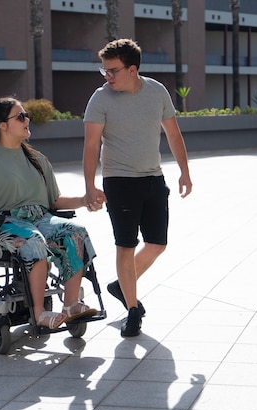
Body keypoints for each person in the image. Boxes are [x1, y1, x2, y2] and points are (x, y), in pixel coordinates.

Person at [0, 97, 99, 330]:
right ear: (2, 125)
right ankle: (39, 313)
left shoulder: (38, 160)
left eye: (26, 115)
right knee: (33, 240)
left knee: (75, 232)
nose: (26, 120)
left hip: (40, 218)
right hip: (3, 224)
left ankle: (72, 304)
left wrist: (84, 200)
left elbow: (53, 201)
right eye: (20, 116)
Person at [83, 39, 193, 337]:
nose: (107, 76)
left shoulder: (157, 92)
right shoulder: (100, 98)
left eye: (113, 70)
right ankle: (133, 309)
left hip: (153, 178)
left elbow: (173, 133)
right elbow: (91, 145)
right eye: (103, 70)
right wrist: (90, 185)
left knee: (158, 243)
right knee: (126, 245)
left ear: (132, 69)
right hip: (119, 182)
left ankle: (122, 285)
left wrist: (184, 171)